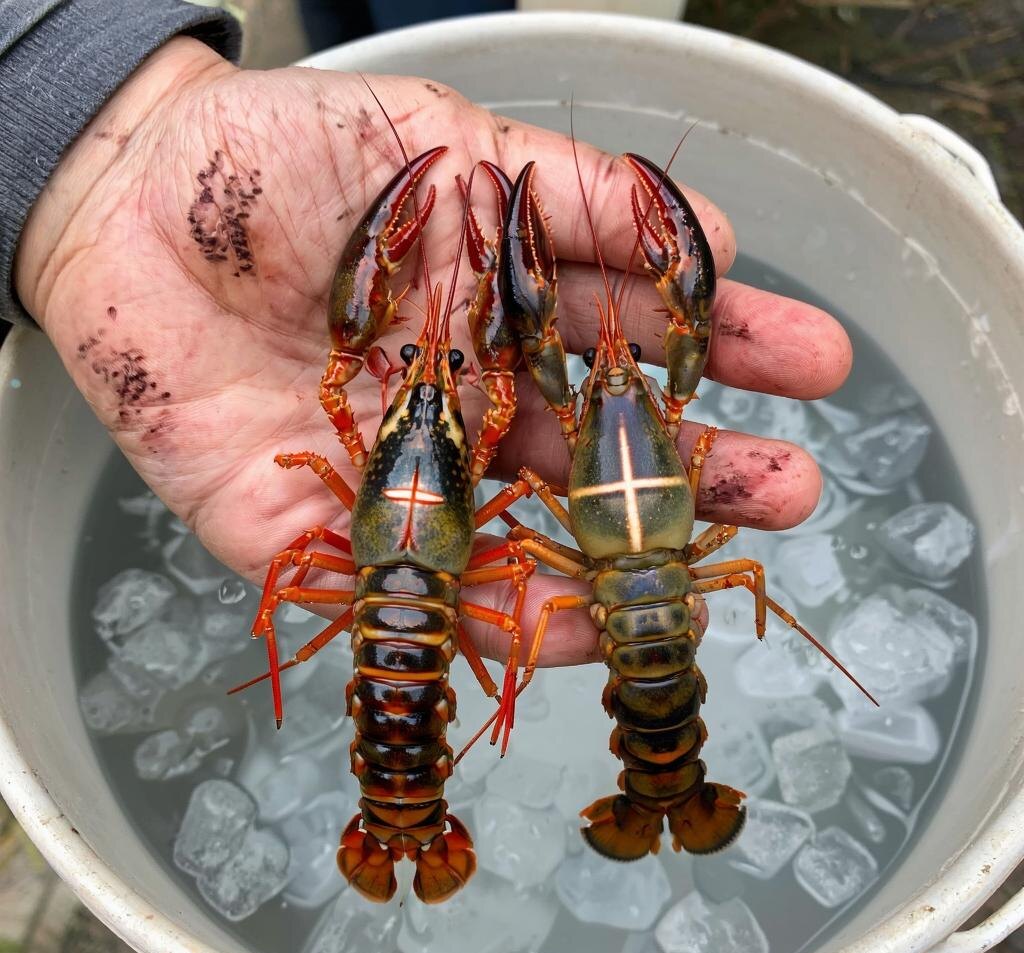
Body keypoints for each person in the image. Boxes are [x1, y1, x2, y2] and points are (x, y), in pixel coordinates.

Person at [1, 1, 852, 668]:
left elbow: (482, 466)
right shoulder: (495, 428)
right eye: (419, 362)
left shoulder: (382, 412)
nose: (428, 359)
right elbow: (508, 455)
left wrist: (105, 150)